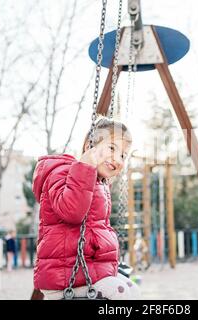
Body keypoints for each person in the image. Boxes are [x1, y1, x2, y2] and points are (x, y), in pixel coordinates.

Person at [32, 117, 141, 300]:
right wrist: (85, 167)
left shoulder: (100, 184)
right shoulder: (63, 172)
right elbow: (72, 212)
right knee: (120, 292)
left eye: (123, 155)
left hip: (88, 272)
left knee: (132, 288)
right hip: (66, 277)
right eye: (112, 148)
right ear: (89, 146)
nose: (117, 158)